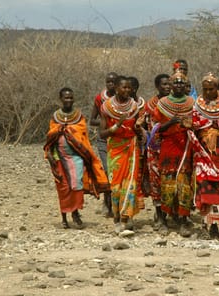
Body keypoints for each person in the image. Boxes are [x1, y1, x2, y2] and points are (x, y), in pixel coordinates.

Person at [44, 87, 110, 229]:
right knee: (63, 187)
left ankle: (75, 213)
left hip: (76, 157)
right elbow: (50, 136)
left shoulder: (79, 117)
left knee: (76, 186)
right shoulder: (55, 117)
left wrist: (69, 131)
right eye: (66, 98)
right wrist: (50, 152)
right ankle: (64, 216)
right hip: (59, 157)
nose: (68, 100)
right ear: (60, 99)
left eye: (70, 97)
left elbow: (82, 137)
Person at [99, 76, 146, 233]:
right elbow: (102, 134)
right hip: (115, 149)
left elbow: (138, 129)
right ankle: (117, 217)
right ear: (116, 88)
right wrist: (116, 126)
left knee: (130, 184)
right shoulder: (106, 107)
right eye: (123, 87)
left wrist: (139, 127)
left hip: (131, 147)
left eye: (129, 88)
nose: (127, 90)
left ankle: (126, 218)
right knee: (116, 186)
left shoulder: (134, 107)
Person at [189, 73, 219, 239]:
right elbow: (193, 125)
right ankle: (207, 224)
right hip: (203, 152)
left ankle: (217, 224)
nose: (207, 92)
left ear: (218, 88)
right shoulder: (197, 105)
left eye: (211, 89)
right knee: (204, 186)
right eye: (205, 89)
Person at [152, 70, 195, 237]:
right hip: (168, 147)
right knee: (167, 184)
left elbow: (196, 124)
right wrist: (170, 122)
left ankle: (184, 220)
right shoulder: (162, 104)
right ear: (170, 85)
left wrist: (188, 124)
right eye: (175, 83)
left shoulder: (192, 103)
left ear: (186, 86)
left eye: (181, 83)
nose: (178, 85)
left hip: (186, 147)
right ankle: (163, 219)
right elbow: (156, 128)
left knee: (184, 185)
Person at [144, 74, 171, 229]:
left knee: (171, 181)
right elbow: (147, 126)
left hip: (173, 148)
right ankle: (160, 216)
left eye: (169, 84)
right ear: (157, 86)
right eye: (163, 84)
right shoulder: (150, 105)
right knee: (156, 183)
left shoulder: (175, 102)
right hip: (155, 149)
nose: (167, 87)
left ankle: (171, 214)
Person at [89, 72, 118, 217]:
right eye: (108, 82)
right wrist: (105, 123)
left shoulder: (123, 100)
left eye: (113, 82)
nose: (110, 84)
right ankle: (107, 202)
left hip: (119, 140)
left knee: (117, 173)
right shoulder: (100, 99)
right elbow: (92, 120)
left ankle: (115, 203)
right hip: (103, 139)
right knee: (107, 171)